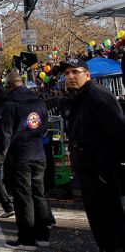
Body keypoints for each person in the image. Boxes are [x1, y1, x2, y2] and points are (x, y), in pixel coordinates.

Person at [63, 58, 125, 252]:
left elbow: (119, 133)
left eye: (75, 72)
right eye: (67, 73)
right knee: (100, 225)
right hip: (89, 173)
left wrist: (107, 167)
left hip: (103, 173)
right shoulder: (81, 98)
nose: (71, 77)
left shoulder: (98, 96)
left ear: (87, 74)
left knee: (111, 225)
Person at [0, 70, 49, 251]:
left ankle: (27, 238)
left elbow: (4, 136)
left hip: (20, 156)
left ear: (9, 85)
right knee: (38, 194)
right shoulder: (38, 101)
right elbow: (44, 127)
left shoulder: (10, 105)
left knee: (24, 196)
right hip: (38, 153)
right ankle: (43, 235)